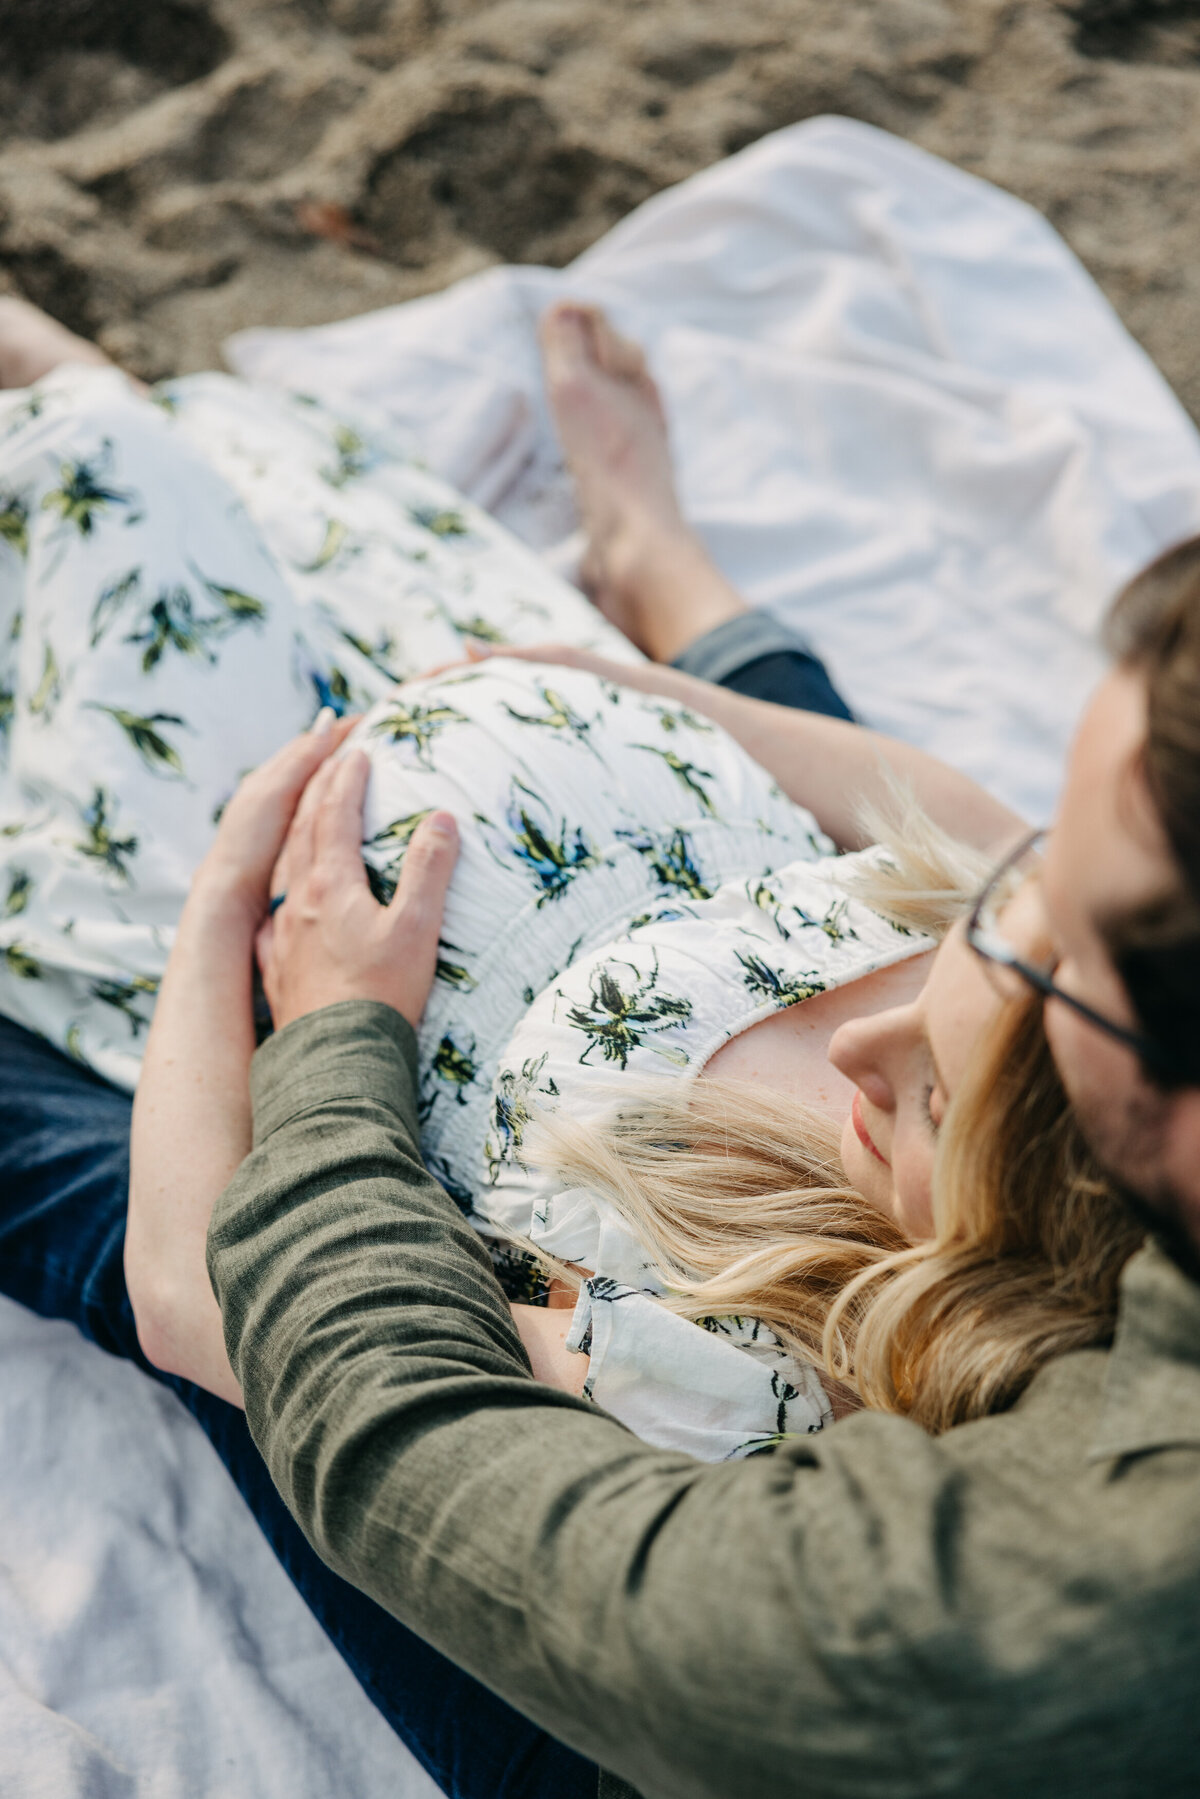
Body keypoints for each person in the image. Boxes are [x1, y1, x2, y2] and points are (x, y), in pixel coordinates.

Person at [197, 407, 1200, 1788]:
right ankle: (667, 580)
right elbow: (967, 837)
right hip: (590, 837)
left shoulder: (976, 1601)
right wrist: (685, 695)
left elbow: (371, 1412)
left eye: (1060, 930)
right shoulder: (1007, 1065)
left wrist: (295, 1003)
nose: (867, 1055)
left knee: (128, 1194)